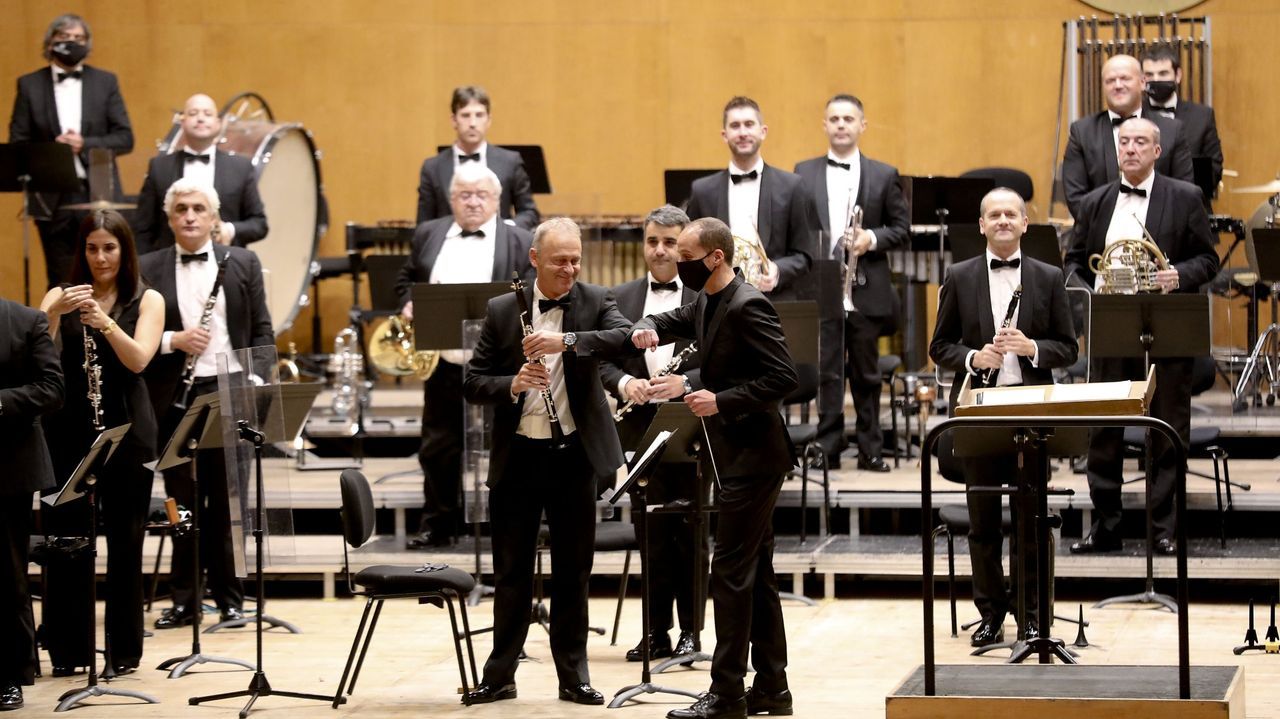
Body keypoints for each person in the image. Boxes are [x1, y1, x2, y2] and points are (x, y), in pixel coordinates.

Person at [587, 217, 798, 719]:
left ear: (714, 258)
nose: (676, 263)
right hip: (736, 454)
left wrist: (719, 400)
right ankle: (772, 687)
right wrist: (644, 327)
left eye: (685, 255)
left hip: (754, 457)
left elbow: (783, 377)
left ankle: (726, 694)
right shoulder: (709, 297)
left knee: (728, 573)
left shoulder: (749, 305)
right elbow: (676, 319)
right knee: (756, 573)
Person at [460, 217, 629, 706]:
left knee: (573, 572)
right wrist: (511, 383)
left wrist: (567, 341)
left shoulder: (596, 301)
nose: (571, 269)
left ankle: (573, 676)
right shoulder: (501, 309)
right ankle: (500, 675)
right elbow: (473, 382)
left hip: (574, 455)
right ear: (535, 259)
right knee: (510, 572)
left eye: (576, 259)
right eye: (560, 261)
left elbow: (623, 338)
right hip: (520, 457)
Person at [929, 188, 1078, 647]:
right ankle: (991, 614)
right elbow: (940, 346)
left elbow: (1068, 348)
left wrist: (1030, 348)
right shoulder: (959, 274)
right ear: (981, 224)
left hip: (1032, 408)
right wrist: (976, 357)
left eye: (1011, 214)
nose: (1003, 221)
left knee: (1031, 520)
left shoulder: (1050, 277)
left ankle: (1033, 617)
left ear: (1025, 222)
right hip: (979, 409)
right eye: (994, 215)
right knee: (983, 521)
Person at [1064, 118, 1219, 556]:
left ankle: (1163, 530)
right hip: (1111, 326)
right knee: (1103, 432)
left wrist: (1178, 275)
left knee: (1167, 431)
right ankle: (1107, 527)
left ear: (1157, 151)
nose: (1131, 149)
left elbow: (1208, 260)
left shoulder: (1186, 196)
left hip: (1166, 325)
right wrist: (1088, 286)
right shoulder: (1095, 202)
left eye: (1140, 143)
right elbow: (1074, 261)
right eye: (1124, 142)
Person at [140, 178, 273, 628]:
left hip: (232, 388)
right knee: (181, 500)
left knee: (230, 501)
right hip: (174, 395)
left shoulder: (244, 262)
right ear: (170, 217)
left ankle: (231, 598)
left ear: (215, 218)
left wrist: (254, 382)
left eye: (199, 208)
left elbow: (261, 332)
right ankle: (184, 599)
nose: (191, 216)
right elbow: (129, 333)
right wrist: (172, 340)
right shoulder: (148, 268)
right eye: (181, 209)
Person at [37, 210, 163, 675]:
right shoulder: (58, 295)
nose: (100, 257)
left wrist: (106, 323)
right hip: (68, 433)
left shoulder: (147, 299)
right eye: (92, 247)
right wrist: (54, 313)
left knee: (126, 546)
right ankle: (68, 653)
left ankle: (123, 654)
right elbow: (41, 358)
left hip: (128, 435)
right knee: (67, 544)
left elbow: (139, 361)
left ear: (124, 251)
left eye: (109, 247)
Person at [394, 163, 533, 549]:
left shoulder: (520, 239)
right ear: (452, 199)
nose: (473, 202)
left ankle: (506, 525)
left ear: (497, 200)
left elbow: (534, 291)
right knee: (438, 446)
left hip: (500, 367)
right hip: (444, 362)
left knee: (507, 446)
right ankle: (438, 523)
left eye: (481, 195)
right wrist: (408, 303)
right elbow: (406, 279)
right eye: (464, 195)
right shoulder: (428, 233)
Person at [597, 205, 703, 662]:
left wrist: (686, 384)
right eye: (652, 241)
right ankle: (655, 631)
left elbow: (722, 356)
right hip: (638, 427)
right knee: (650, 532)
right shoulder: (617, 297)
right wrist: (626, 383)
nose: (659, 251)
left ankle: (691, 633)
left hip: (693, 422)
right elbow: (602, 359)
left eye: (669, 243)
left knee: (691, 531)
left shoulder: (705, 295)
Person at [794, 94, 910, 470]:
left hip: (866, 282)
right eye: (834, 119)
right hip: (823, 282)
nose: (841, 125)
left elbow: (901, 229)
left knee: (866, 371)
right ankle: (826, 446)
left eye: (848, 119)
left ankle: (870, 448)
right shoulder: (803, 171)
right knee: (827, 368)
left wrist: (870, 239)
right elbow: (800, 228)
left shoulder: (884, 173)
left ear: (863, 125)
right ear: (824, 125)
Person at [8, 13, 133, 288]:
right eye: (64, 38)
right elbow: (18, 142)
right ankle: (66, 331)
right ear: (50, 43)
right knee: (61, 278)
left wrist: (84, 144)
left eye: (79, 38)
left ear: (88, 44)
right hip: (52, 196)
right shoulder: (29, 85)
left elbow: (125, 138)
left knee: (106, 273)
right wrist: (54, 150)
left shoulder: (105, 82)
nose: (72, 43)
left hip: (98, 192)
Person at [686, 96, 818, 301]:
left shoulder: (792, 186)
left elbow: (805, 255)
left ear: (763, 131)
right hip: (717, 303)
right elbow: (689, 254)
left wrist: (778, 270)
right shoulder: (703, 191)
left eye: (749, 124)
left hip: (774, 303)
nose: (743, 132)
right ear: (724, 135)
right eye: (735, 126)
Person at [0, 298, 63, 711]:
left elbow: (52, 389)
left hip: (7, 468)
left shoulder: (24, 320)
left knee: (7, 576)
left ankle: (8, 675)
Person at [131, 93, 268, 254]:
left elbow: (259, 224)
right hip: (169, 265)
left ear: (218, 124)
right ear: (182, 122)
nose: (200, 118)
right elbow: (142, 227)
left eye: (208, 114)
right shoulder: (159, 166)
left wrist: (229, 229)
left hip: (226, 263)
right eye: (193, 113)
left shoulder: (241, 168)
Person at [1061, 54, 1192, 220]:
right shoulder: (1082, 132)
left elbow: (1184, 193)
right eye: (1110, 81)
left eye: (1125, 78)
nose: (1118, 85)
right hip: (1101, 238)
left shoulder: (1172, 130)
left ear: (1143, 83)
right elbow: (1075, 198)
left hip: (1160, 238)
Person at [416, 85, 539, 231]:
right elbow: (424, 224)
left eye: (479, 115)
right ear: (454, 120)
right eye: (465, 115)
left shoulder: (510, 162)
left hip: (498, 248)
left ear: (488, 120)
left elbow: (529, 213)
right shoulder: (432, 168)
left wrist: (505, 230)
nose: (473, 123)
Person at [1142, 45, 1223, 208]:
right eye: (1150, 74)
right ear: (1142, 79)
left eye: (1163, 73)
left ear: (1178, 75)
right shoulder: (1133, 116)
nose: (1156, 79)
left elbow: (1214, 169)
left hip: (1190, 207)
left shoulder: (1202, 116)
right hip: (1144, 207)